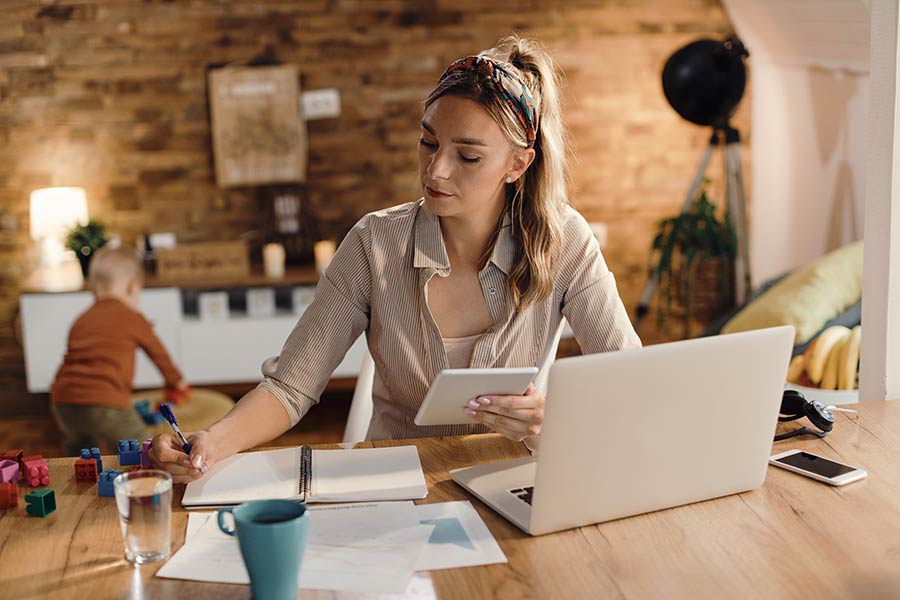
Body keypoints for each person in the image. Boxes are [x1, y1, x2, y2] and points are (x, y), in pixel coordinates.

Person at [151, 36, 641, 482]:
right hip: (397, 489)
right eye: (429, 141)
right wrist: (212, 442)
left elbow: (631, 382)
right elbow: (291, 387)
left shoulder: (565, 240)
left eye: (467, 157)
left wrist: (549, 415)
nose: (436, 168)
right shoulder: (373, 244)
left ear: (518, 164)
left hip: (519, 481)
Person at [50, 245, 189, 455]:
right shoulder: (133, 318)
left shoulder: (81, 319)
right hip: (106, 403)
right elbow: (159, 354)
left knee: (81, 450)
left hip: (63, 402)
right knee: (144, 446)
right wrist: (176, 381)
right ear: (132, 287)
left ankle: (78, 476)